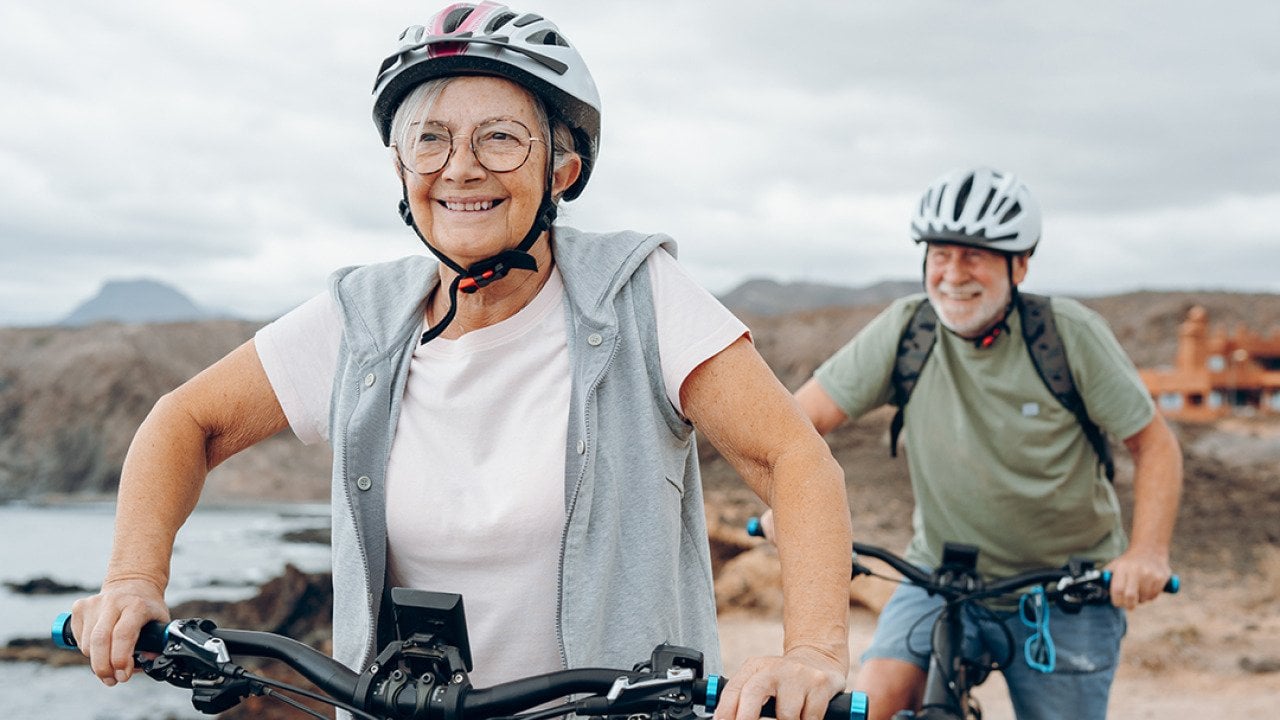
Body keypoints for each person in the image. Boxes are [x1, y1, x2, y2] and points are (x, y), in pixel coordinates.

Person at [69, 4, 853, 720]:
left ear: (562, 170)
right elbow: (186, 420)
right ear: (402, 173)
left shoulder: (639, 296)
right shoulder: (362, 320)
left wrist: (813, 653)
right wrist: (135, 579)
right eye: (430, 138)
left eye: (501, 137)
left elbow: (793, 458)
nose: (461, 167)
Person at [762, 166, 1182, 720]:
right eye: (940, 254)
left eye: (974, 255)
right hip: (937, 574)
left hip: (1064, 588)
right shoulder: (908, 329)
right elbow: (792, 425)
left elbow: (1155, 444)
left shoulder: (1068, 336)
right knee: (875, 701)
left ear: (1021, 264)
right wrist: (782, 503)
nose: (952, 274)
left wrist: (1146, 553)